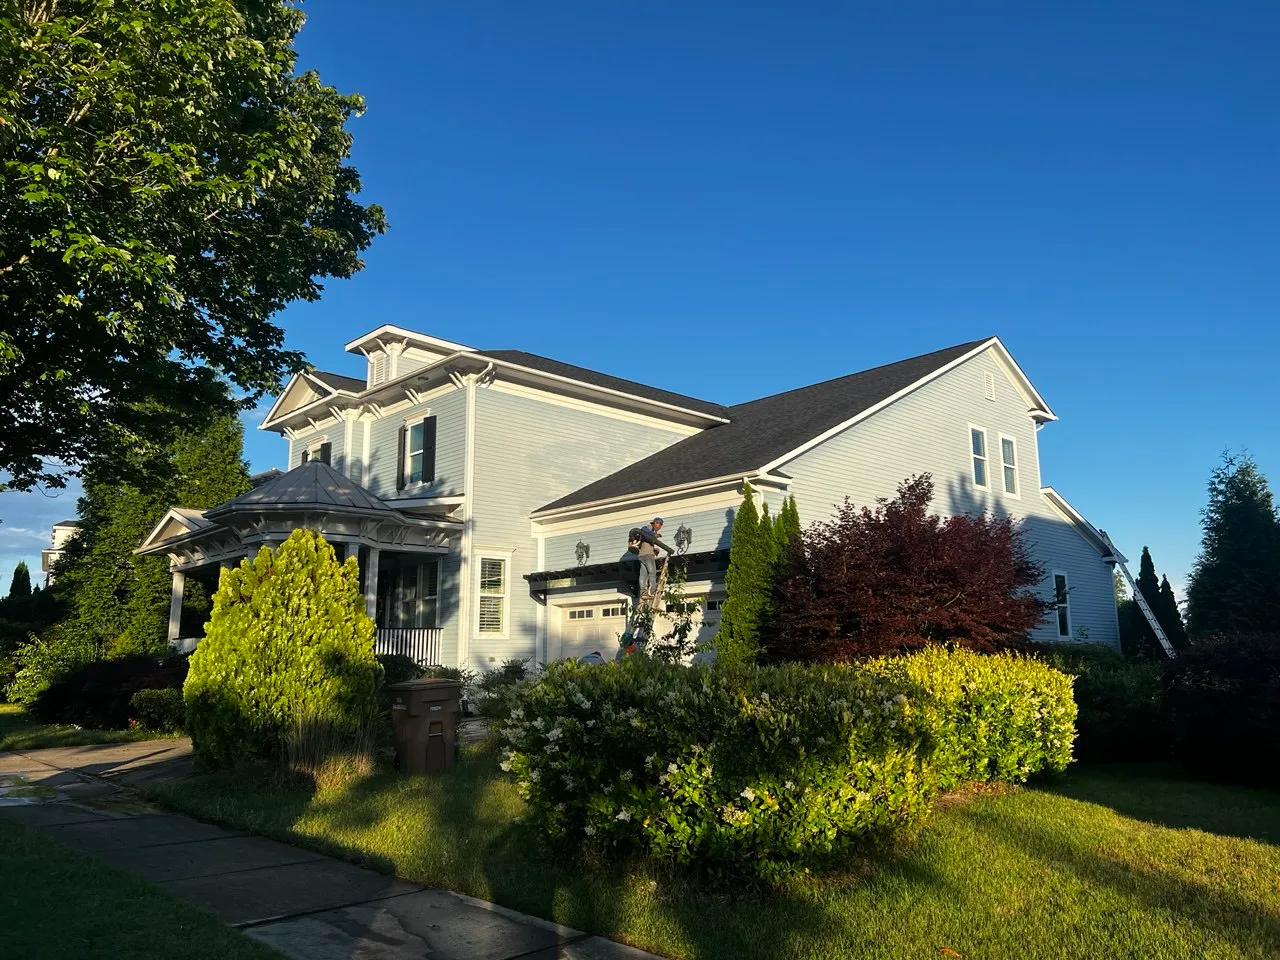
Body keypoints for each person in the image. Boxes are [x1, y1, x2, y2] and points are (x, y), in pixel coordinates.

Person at [636, 517, 673, 600]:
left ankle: (643, 593)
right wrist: (654, 535)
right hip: (648, 555)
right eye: (659, 525)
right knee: (652, 572)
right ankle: (653, 591)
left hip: (642, 554)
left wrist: (654, 549)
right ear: (656, 523)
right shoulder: (649, 528)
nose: (659, 528)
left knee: (643, 575)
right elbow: (643, 529)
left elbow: (646, 542)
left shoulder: (651, 532)